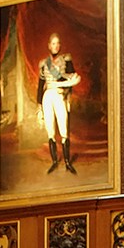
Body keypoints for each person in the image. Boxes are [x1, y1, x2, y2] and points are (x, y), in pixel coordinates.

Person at [36, 32, 82, 174]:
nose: (56, 46)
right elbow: (40, 85)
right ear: (49, 46)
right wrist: (39, 106)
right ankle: (55, 161)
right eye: (53, 43)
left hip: (59, 95)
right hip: (47, 96)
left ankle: (67, 162)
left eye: (58, 43)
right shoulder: (44, 64)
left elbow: (72, 79)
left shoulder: (66, 59)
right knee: (50, 131)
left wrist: (67, 96)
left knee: (64, 131)